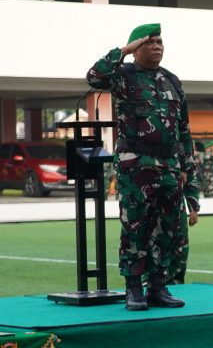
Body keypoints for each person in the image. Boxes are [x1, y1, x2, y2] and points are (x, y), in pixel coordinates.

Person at [85, 23, 200, 311]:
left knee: (167, 228)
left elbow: (184, 132)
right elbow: (94, 75)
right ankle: (134, 288)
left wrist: (192, 188)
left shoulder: (172, 80)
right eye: (150, 43)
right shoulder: (124, 76)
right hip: (136, 164)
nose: (158, 47)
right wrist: (124, 51)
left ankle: (158, 286)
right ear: (137, 47)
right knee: (135, 226)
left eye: (160, 42)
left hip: (169, 164)